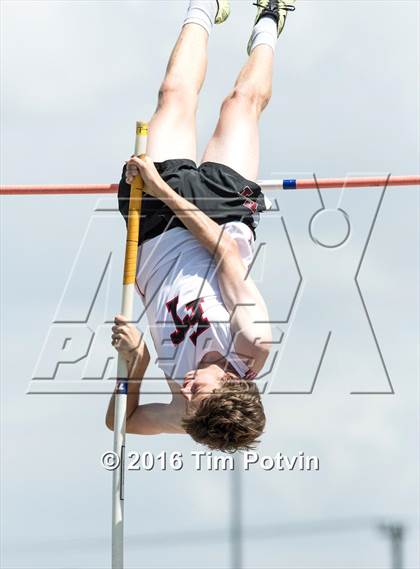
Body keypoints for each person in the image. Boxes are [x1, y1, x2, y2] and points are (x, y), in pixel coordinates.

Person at [106, 0, 295, 452]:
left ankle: (204, 7)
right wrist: (159, 187)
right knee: (240, 103)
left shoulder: (194, 413)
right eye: (198, 390)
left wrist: (139, 361)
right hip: (222, 215)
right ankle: (270, 18)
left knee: (174, 94)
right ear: (234, 383)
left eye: (187, 398)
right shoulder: (252, 341)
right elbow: (225, 255)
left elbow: (121, 422)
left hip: (153, 232)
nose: (185, 386)